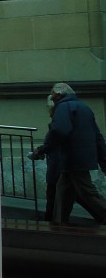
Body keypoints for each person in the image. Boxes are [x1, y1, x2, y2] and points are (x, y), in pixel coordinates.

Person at [34, 83, 106, 225]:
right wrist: (103, 161)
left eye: (53, 97)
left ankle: (59, 226)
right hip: (79, 158)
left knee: (87, 192)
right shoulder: (85, 108)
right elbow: (98, 136)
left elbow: (59, 130)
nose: (52, 101)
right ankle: (58, 225)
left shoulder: (63, 107)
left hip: (72, 158)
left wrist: (43, 149)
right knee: (63, 192)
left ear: (59, 95)